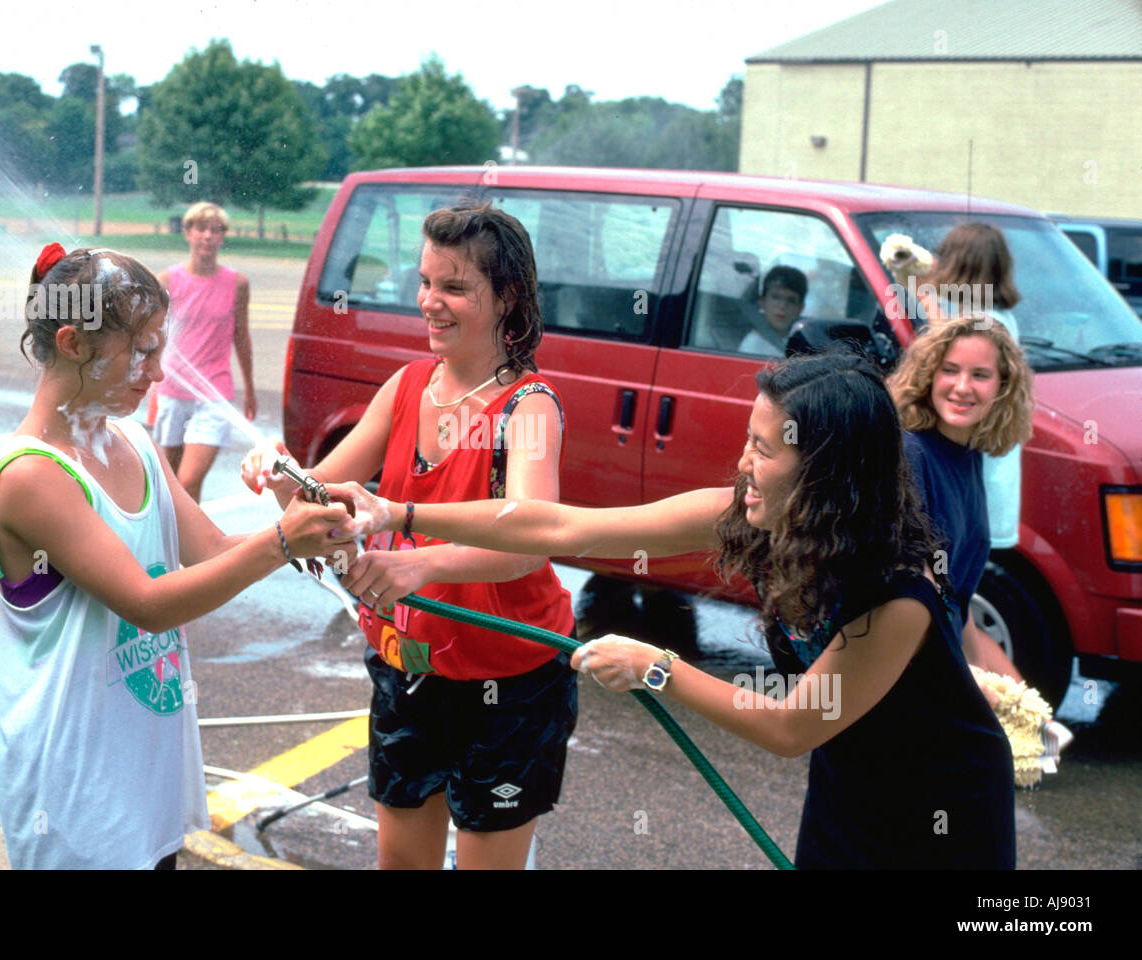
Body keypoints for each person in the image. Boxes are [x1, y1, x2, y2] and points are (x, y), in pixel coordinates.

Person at [328, 351, 1018, 869]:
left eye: (764, 448)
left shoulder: (898, 593)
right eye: (751, 438)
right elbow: (563, 528)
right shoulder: (757, 514)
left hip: (943, 805)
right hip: (849, 782)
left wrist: (657, 667)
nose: (744, 464)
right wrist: (401, 511)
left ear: (824, 470)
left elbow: (791, 725)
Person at [0, 242, 351, 869]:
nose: (157, 374)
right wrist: (283, 541)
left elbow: (212, 552)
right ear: (71, 343)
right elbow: (148, 604)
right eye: (142, 351)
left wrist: (301, 519)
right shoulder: (31, 476)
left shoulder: (131, 437)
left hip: (142, 776)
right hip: (73, 796)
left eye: (160, 348)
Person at [243, 202, 574, 871]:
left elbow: (532, 543)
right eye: (424, 282)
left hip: (508, 681)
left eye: (454, 288)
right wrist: (279, 474)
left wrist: (418, 569)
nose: (430, 303)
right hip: (409, 667)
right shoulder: (406, 386)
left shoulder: (527, 407)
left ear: (506, 298)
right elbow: (321, 496)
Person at [887, 314, 1071, 782]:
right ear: (928, 375)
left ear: (1003, 388)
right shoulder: (912, 456)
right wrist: (988, 701)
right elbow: (914, 613)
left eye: (980, 374)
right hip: (900, 689)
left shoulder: (968, 458)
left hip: (940, 681)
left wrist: (1029, 708)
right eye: (950, 370)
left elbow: (958, 610)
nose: (962, 386)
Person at [916, 222, 1023, 552]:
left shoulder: (986, 322)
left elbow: (945, 346)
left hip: (981, 464)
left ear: (959, 265)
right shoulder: (995, 313)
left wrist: (923, 292)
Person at [153, 201, 255, 501]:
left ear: (223, 236)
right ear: (187, 233)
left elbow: (242, 337)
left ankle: (192, 549)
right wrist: (150, 388)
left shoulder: (237, 283)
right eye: (200, 229)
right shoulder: (167, 281)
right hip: (171, 391)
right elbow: (154, 337)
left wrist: (249, 388)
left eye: (216, 230)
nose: (208, 236)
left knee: (188, 480)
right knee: (169, 485)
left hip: (214, 394)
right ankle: (170, 545)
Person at [737, 265, 807, 357]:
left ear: (800, 308)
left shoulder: (804, 343)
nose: (782, 306)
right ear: (762, 302)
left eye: (791, 300)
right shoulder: (752, 344)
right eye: (776, 297)